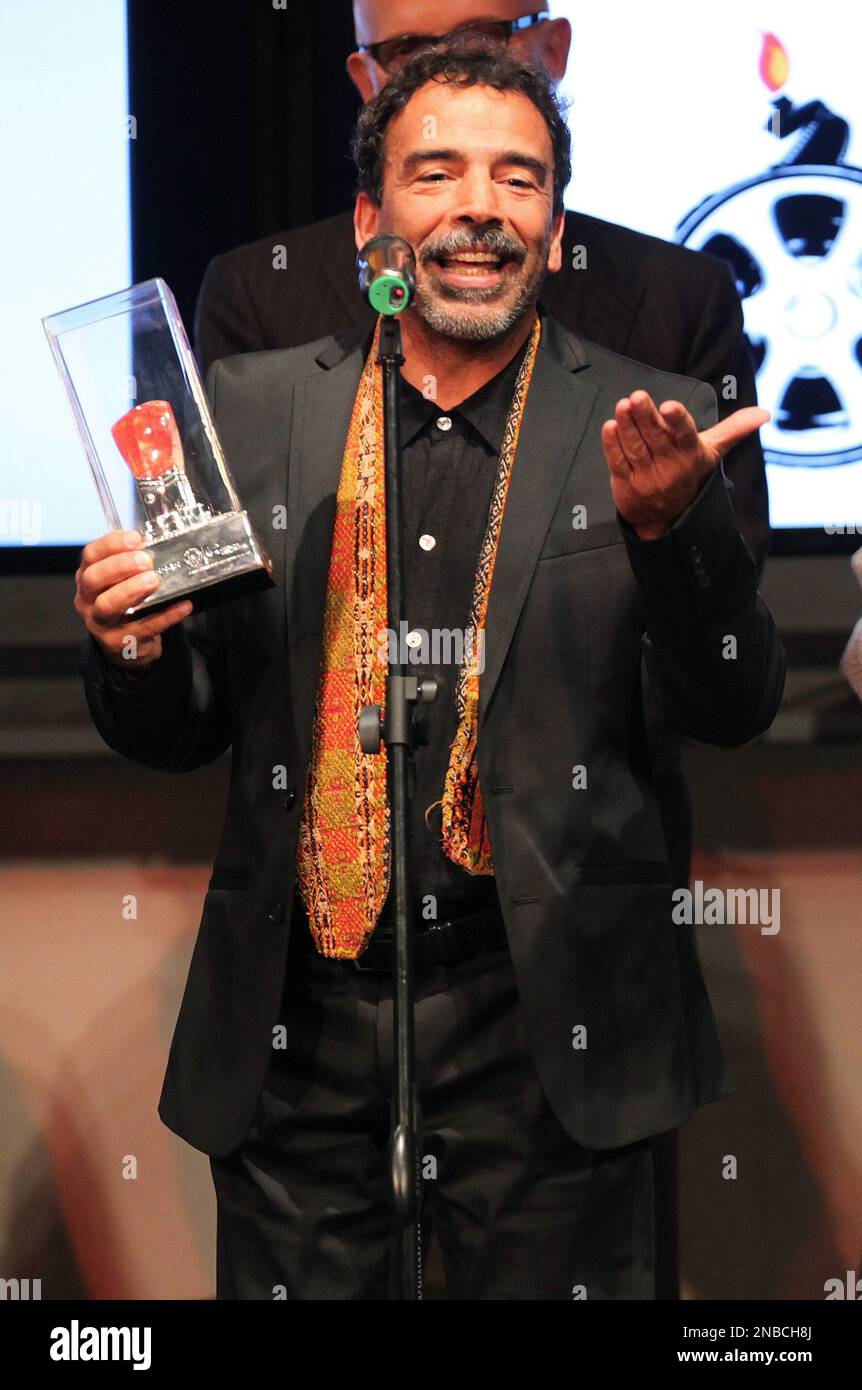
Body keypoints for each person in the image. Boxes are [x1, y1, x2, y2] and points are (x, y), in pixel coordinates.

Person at [75, 42, 785, 1299]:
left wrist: (676, 538)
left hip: (549, 1037)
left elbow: (731, 705)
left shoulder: (649, 422)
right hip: (299, 1039)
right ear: (369, 220)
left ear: (554, 229)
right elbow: (184, 728)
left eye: (519, 181)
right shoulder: (241, 416)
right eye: (435, 173)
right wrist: (134, 641)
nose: (477, 208)